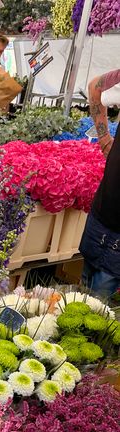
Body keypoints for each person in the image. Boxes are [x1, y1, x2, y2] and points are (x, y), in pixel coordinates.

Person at [79, 69, 120, 298]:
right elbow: (96, 86)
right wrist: (104, 138)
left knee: (95, 304)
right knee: (81, 294)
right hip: (104, 208)